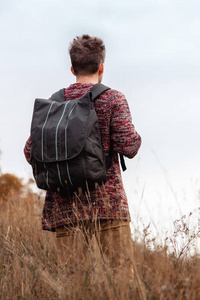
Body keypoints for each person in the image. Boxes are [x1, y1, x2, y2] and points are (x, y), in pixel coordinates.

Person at [23, 35, 141, 272]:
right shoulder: (112, 98)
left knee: (73, 285)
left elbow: (29, 151)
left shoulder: (52, 104)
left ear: (72, 68)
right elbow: (129, 145)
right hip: (107, 203)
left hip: (64, 208)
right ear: (101, 68)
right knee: (121, 281)